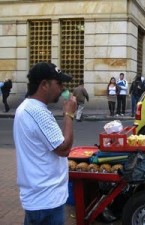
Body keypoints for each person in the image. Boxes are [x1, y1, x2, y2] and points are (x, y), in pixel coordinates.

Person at [13, 62, 77, 225]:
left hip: (39, 197)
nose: (63, 88)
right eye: (59, 83)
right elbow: (64, 149)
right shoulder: (37, 112)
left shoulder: (27, 107)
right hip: (46, 200)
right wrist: (69, 114)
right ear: (44, 84)